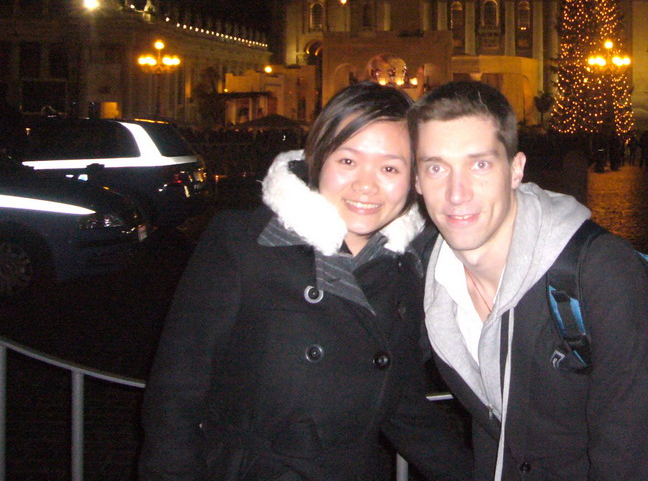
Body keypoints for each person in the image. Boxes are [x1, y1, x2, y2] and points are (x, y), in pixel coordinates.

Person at [140, 82, 472, 481]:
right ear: (318, 159)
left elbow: (401, 403)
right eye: (348, 161)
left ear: (413, 180)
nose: (366, 185)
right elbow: (175, 395)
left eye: (389, 168)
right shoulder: (242, 242)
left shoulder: (404, 270)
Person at [409, 81, 648, 481]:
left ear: (515, 170)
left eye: (479, 164)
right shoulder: (429, 275)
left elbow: (643, 454)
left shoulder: (600, 271)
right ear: (416, 181)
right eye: (436, 167)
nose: (456, 193)